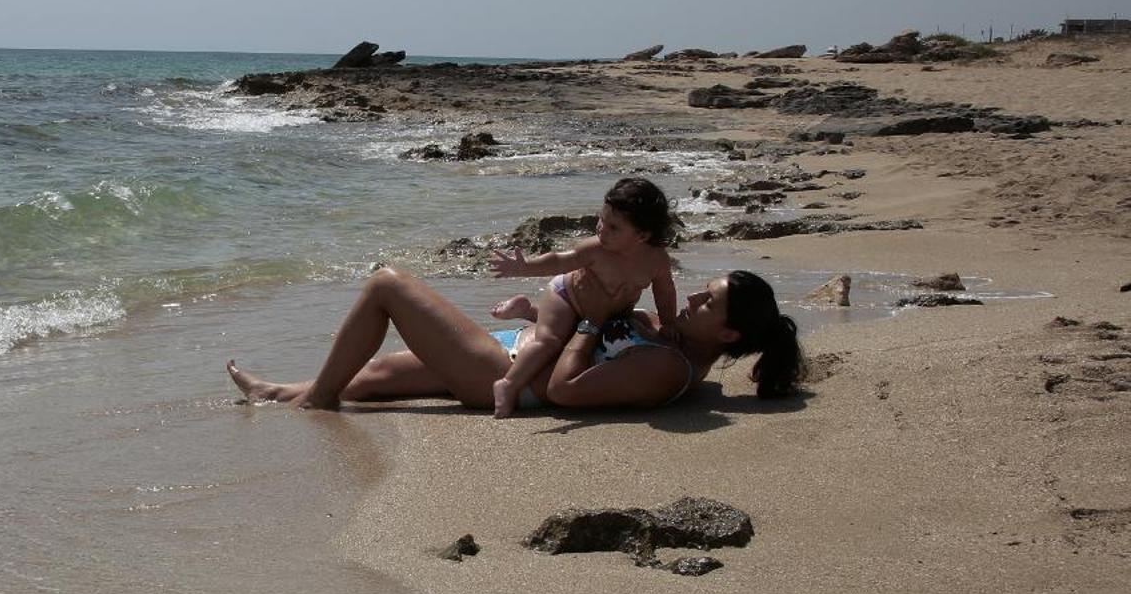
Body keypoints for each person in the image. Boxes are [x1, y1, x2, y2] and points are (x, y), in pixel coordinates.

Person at [225, 265, 801, 413]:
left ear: (727, 333)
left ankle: (313, 402)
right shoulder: (678, 345)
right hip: (512, 349)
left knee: (387, 286)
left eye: (709, 301)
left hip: (507, 377)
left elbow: (568, 392)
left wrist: (590, 320)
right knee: (371, 380)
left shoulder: (668, 370)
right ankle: (277, 394)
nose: (695, 298)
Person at [485, 177, 680, 418]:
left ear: (641, 235)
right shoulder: (595, 249)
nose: (601, 229)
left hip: (608, 312)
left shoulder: (657, 260)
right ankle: (508, 384)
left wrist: (669, 322)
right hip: (565, 298)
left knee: (628, 326)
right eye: (601, 219)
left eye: (613, 227)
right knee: (550, 340)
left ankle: (528, 311)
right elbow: (559, 260)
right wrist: (524, 268)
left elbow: (665, 291)